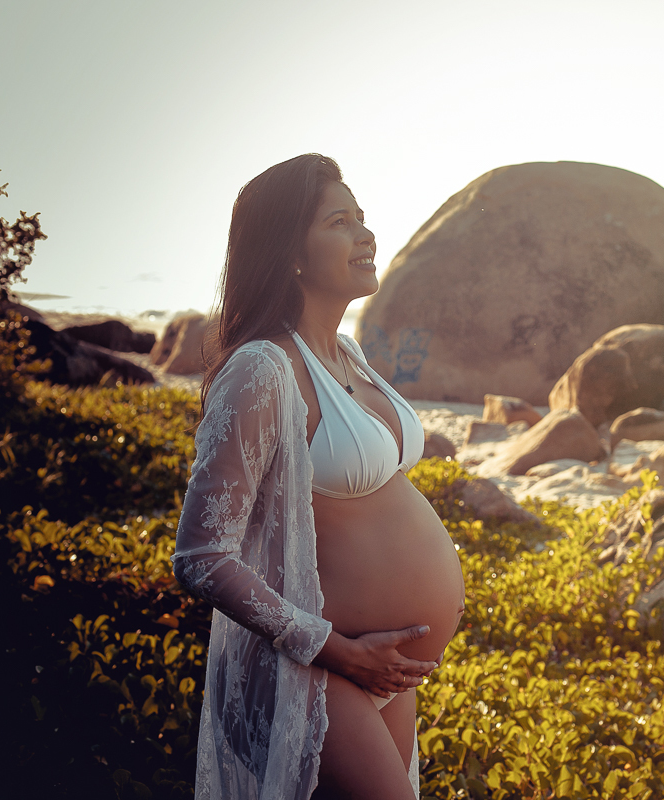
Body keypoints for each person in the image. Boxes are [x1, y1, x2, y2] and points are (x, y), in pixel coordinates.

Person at [172, 153, 466, 800]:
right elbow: (200, 556)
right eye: (340, 221)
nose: (366, 235)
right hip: (314, 668)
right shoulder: (261, 370)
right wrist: (335, 649)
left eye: (362, 217)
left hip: (381, 667)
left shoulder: (349, 354)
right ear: (291, 254)